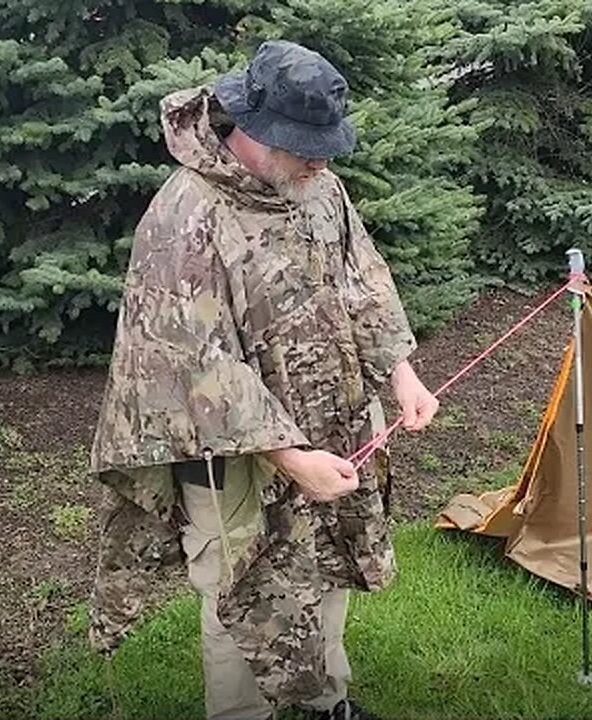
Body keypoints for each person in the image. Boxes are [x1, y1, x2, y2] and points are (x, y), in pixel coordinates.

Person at [85, 39, 440, 720]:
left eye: (325, 145)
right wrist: (286, 455)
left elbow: (360, 279)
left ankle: (323, 704)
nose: (322, 159)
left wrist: (400, 373)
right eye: (307, 145)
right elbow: (194, 360)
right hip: (236, 456)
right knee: (244, 590)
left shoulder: (316, 187)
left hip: (330, 425)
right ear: (253, 126)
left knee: (325, 566)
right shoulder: (185, 215)